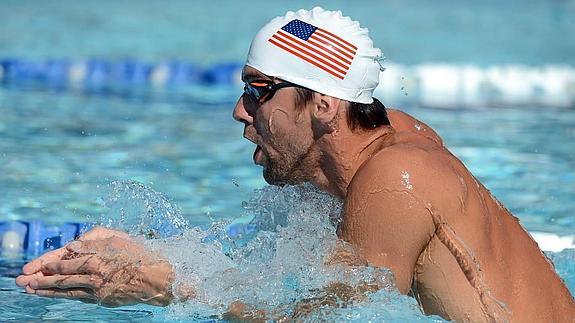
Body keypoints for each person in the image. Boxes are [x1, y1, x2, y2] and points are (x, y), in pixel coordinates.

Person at [16, 7, 575, 322]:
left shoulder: (393, 181)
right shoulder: (374, 139)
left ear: (324, 106)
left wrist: (167, 284)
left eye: (260, 90)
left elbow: (330, 321)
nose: (240, 110)